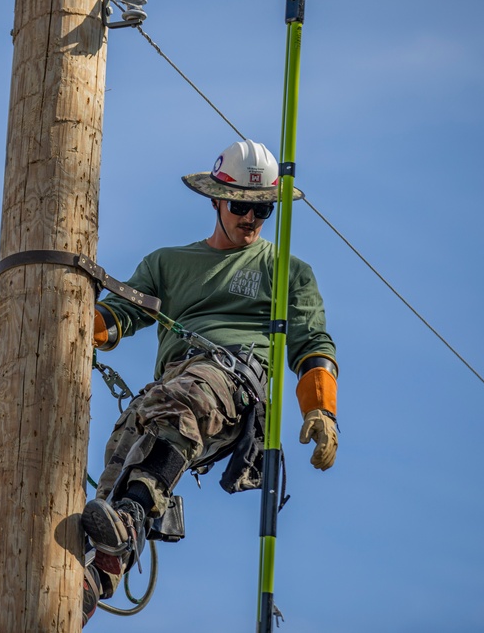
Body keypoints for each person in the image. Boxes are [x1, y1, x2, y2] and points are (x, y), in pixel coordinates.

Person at [80, 140, 339, 624]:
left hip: (234, 383)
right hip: (173, 392)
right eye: (241, 205)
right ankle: (100, 572)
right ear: (216, 200)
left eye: (262, 209)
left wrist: (321, 410)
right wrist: (72, 317)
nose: (251, 219)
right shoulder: (168, 264)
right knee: (126, 444)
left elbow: (312, 345)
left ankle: (131, 519)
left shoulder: (286, 272)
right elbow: (117, 317)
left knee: (183, 400)